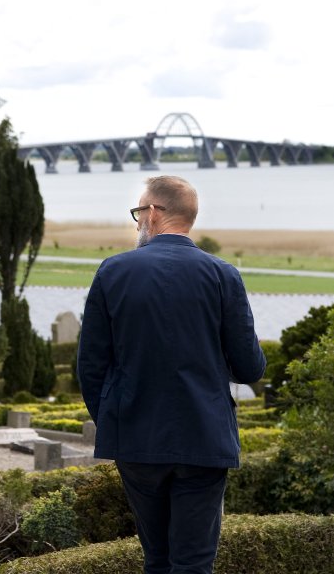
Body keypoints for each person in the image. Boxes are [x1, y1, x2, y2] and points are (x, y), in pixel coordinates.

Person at [77, 175, 266, 574]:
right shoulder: (222, 275)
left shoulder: (113, 271)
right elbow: (250, 367)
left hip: (136, 438)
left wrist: (114, 420)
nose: (137, 221)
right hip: (203, 435)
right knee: (194, 562)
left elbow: (91, 366)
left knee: (157, 558)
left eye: (138, 212)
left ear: (154, 212)